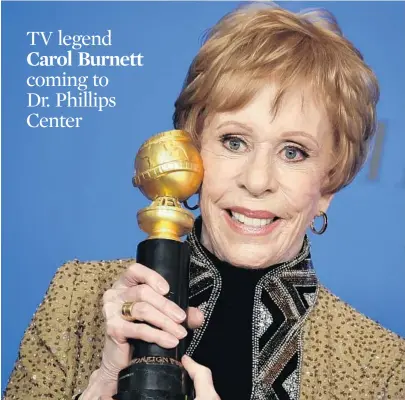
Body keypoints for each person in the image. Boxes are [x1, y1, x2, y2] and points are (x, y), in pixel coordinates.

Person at [4, 3, 405, 400]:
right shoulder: (75, 298)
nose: (257, 180)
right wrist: (99, 386)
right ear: (192, 151)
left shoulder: (384, 367)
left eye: (293, 152)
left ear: (329, 184)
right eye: (234, 141)